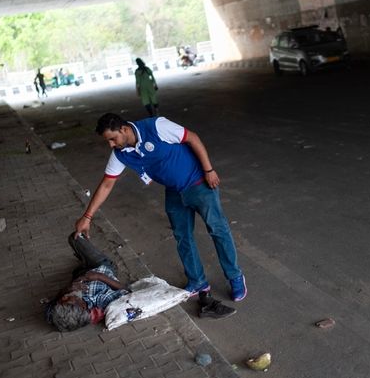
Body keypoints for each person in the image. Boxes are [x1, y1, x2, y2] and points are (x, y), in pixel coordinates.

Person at [74, 113, 247, 303]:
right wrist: (87, 217)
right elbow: (107, 184)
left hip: (198, 183)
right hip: (174, 192)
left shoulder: (156, 126)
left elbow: (192, 138)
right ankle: (198, 281)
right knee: (183, 237)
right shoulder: (120, 153)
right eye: (108, 141)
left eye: (112, 139)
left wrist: (208, 170)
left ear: (124, 129)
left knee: (217, 229)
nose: (111, 145)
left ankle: (235, 277)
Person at [46, 233, 130, 332]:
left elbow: (54, 302)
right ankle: (85, 258)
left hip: (80, 272)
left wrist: (67, 289)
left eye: (61, 301)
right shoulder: (102, 301)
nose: (64, 297)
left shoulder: (59, 314)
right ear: (82, 306)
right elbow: (127, 291)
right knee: (76, 238)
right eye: (68, 299)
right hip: (102, 266)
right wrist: (99, 277)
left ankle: (83, 259)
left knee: (75, 239)